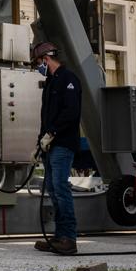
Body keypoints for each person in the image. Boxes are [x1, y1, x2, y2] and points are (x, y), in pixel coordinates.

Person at [31, 41, 81, 255]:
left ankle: (69, 238)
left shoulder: (68, 79)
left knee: (60, 187)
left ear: (46, 59)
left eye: (38, 63)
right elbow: (47, 117)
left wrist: (52, 133)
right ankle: (60, 236)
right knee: (52, 187)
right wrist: (39, 143)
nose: (38, 67)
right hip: (51, 144)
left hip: (62, 143)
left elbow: (71, 112)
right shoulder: (51, 82)